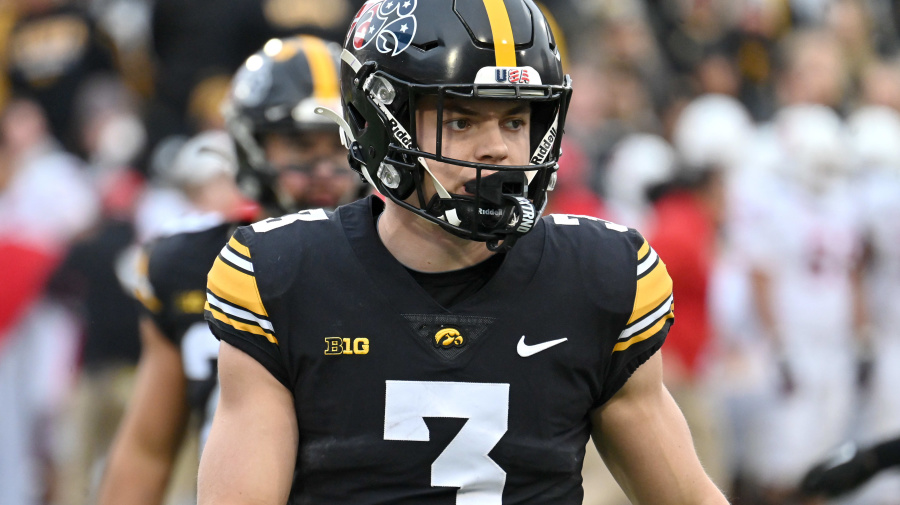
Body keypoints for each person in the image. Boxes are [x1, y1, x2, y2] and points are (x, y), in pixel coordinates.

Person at [198, 2, 729, 504]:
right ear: (381, 123)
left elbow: (688, 495)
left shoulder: (600, 278)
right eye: (462, 121)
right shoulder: (285, 275)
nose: (496, 148)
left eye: (515, 121)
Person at [97, 34, 354, 505]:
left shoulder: (396, 252)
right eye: (298, 143)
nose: (323, 168)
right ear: (249, 143)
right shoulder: (185, 263)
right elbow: (147, 449)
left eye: (339, 143)